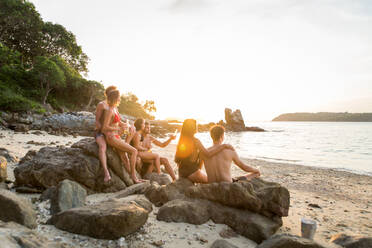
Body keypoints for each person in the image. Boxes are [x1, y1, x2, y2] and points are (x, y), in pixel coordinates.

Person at [102, 90, 144, 184]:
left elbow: (119, 122)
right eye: (119, 97)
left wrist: (127, 126)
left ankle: (133, 177)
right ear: (115, 98)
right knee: (134, 151)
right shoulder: (109, 110)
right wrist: (117, 129)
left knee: (124, 157)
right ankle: (134, 177)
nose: (120, 98)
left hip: (116, 136)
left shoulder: (115, 109)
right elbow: (104, 127)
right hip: (111, 137)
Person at [174, 119, 234, 183]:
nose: (196, 126)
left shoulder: (182, 140)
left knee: (200, 153)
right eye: (195, 125)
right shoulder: (195, 141)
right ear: (192, 128)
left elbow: (177, 160)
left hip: (182, 172)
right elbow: (208, 154)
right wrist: (223, 146)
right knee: (213, 182)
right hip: (192, 172)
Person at [94, 85, 117, 182]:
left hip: (111, 132)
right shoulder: (101, 104)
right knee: (103, 147)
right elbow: (97, 121)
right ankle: (106, 173)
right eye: (111, 92)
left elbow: (117, 121)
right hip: (100, 132)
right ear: (107, 94)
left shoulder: (114, 106)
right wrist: (104, 131)